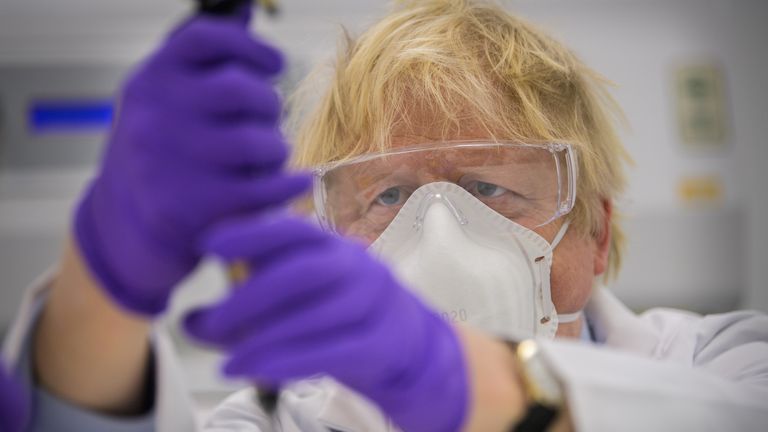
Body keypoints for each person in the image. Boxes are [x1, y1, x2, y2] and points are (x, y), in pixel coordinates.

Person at [2, 0, 768, 431]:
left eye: (490, 185)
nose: (440, 233)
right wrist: (99, 286)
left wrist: (458, 381)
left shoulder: (718, 363)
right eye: (388, 197)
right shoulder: (282, 421)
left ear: (595, 235)